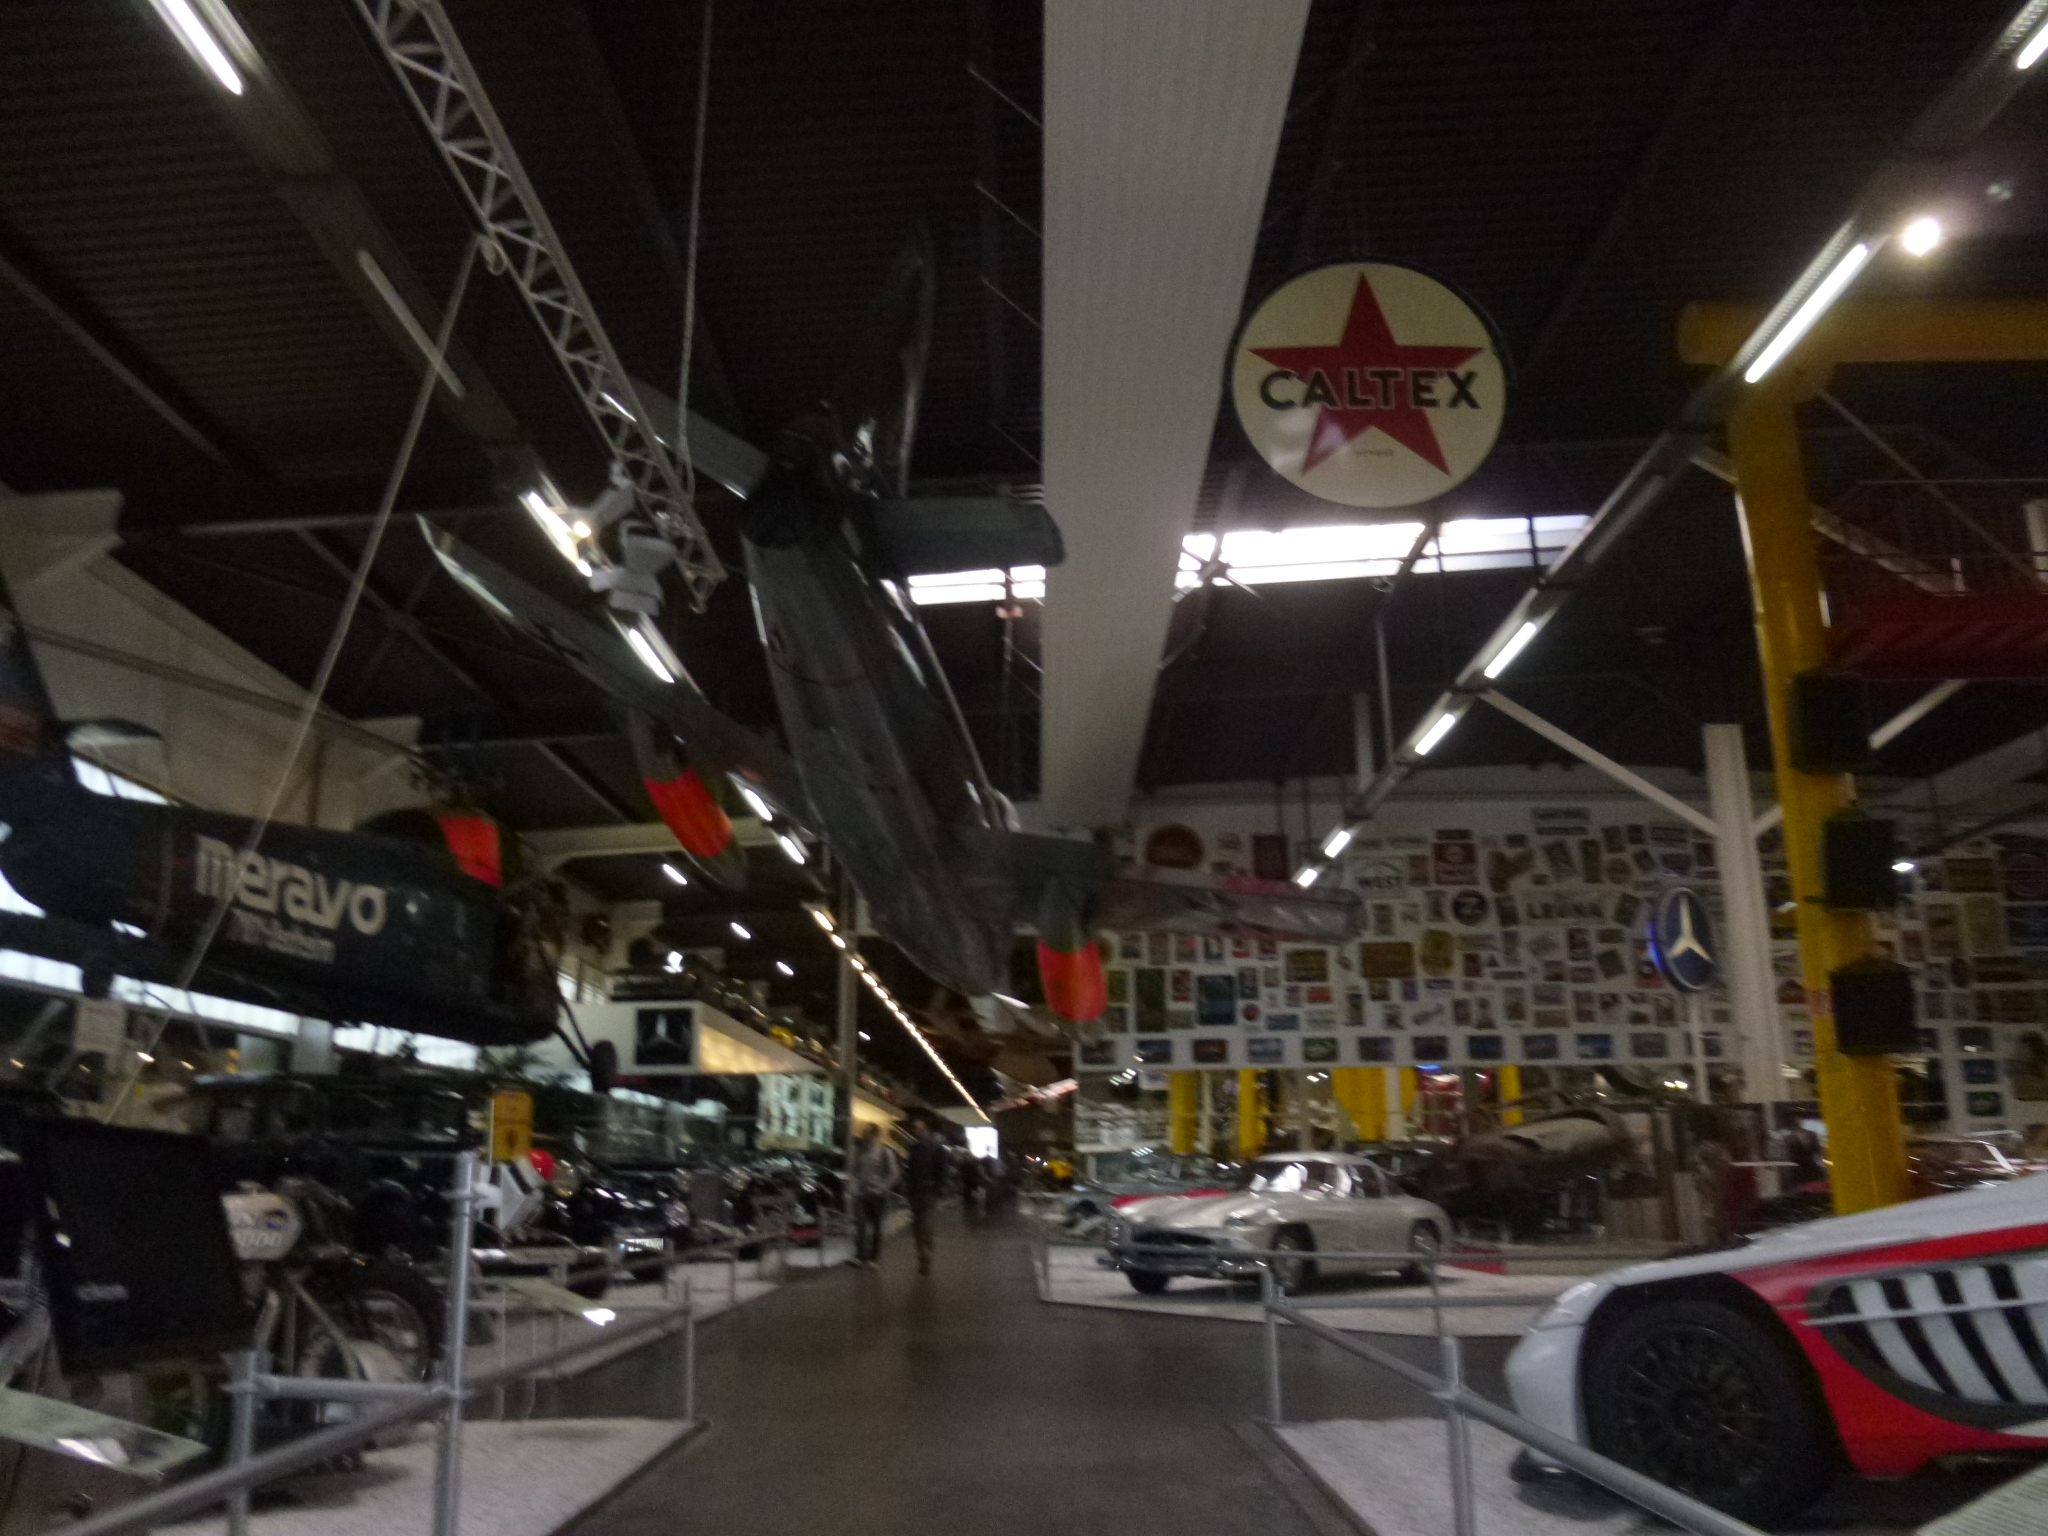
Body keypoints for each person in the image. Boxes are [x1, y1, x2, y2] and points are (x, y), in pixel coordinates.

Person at [848, 1124, 900, 1269]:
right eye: (864, 1132)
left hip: (878, 1196)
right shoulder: (859, 1151)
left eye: (867, 1132)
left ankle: (874, 1258)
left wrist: (882, 1188)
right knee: (860, 1225)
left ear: (874, 1134)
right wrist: (853, 1188)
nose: (864, 1135)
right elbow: (854, 1172)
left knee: (877, 1227)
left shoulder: (884, 1152)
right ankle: (860, 1256)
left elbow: (893, 1173)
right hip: (862, 1194)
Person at [903, 1120, 948, 1275]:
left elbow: (942, 1171)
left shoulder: (937, 1149)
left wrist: (939, 1188)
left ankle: (926, 1250)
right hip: (916, 1192)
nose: (916, 1131)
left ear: (926, 1129)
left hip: (929, 1191)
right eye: (915, 1129)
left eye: (919, 1128)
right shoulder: (913, 1148)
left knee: (925, 1223)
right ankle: (922, 1254)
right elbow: (910, 1170)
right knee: (917, 1225)